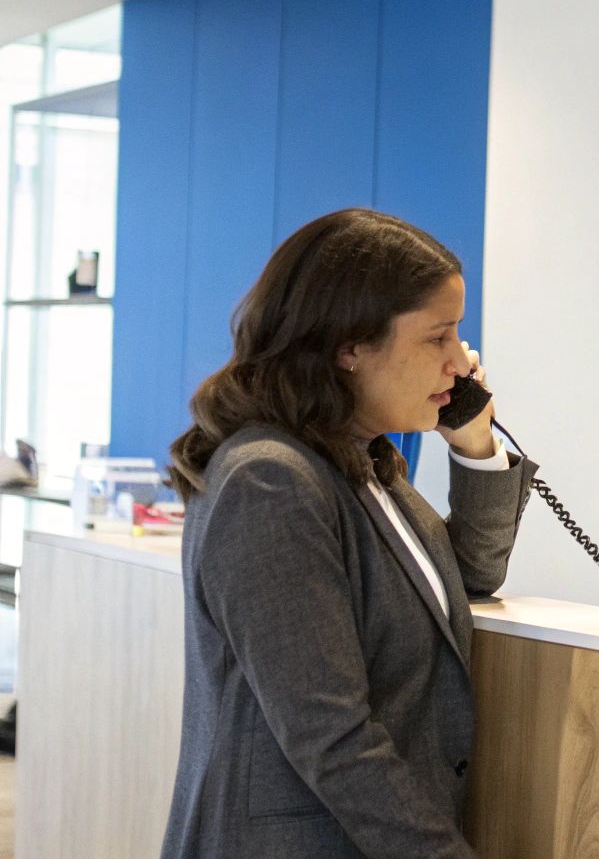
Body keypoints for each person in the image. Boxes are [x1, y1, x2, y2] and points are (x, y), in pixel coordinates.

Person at [160, 208, 537, 858]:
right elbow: (330, 734)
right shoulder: (272, 482)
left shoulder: (365, 464)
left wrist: (475, 443)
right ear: (350, 345)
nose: (458, 362)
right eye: (438, 336)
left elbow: (465, 575)